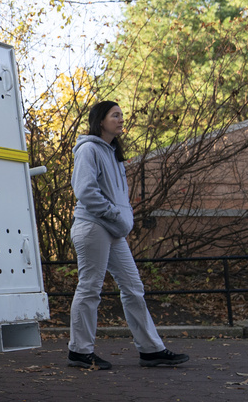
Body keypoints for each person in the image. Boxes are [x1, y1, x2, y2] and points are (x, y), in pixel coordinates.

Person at [67, 100, 189, 370]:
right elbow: (85, 191)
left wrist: (123, 217)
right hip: (93, 226)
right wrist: (113, 214)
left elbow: (117, 196)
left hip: (112, 229)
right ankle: (79, 351)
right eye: (116, 115)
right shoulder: (88, 149)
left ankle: (151, 350)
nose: (121, 119)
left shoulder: (112, 153)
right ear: (101, 120)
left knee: (133, 288)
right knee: (90, 288)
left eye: (122, 115)